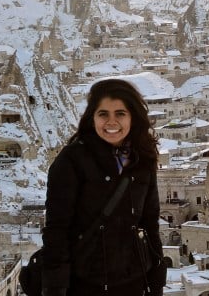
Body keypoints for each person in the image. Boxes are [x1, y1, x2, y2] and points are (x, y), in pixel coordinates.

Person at [41, 78, 166, 296]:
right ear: (92, 117)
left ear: (132, 117)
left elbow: (149, 223)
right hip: (85, 284)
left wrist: (156, 282)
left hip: (134, 282)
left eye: (120, 113)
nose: (111, 122)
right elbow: (57, 230)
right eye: (103, 114)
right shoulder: (72, 161)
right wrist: (55, 288)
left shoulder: (142, 160)